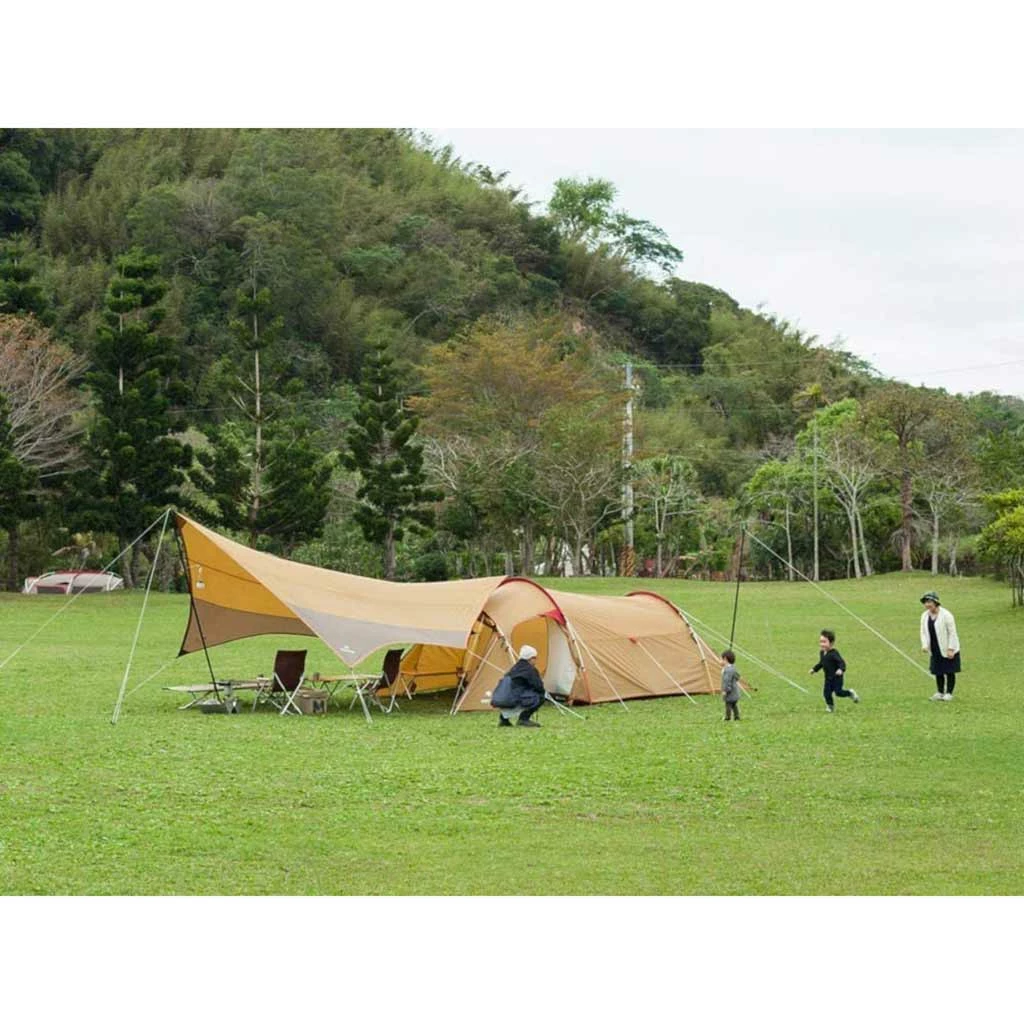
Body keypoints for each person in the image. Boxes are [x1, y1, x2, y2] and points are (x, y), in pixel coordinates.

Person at [920, 591, 961, 701]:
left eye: (929, 602)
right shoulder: (924, 616)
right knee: (938, 671)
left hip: (947, 647)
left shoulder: (946, 615)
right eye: (926, 602)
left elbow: (952, 633)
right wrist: (925, 645)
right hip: (935, 647)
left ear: (936, 602)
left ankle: (949, 693)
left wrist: (951, 649)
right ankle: (939, 692)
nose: (927, 605)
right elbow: (923, 632)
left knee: (949, 670)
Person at [809, 629, 859, 712]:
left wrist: (841, 669)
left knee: (838, 692)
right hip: (828, 678)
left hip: (837, 678)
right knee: (826, 693)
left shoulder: (834, 653)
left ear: (831, 643)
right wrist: (814, 669)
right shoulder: (822, 653)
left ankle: (850, 693)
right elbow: (822, 663)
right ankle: (830, 706)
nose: (822, 644)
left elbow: (842, 662)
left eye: (824, 642)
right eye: (821, 641)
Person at [497, 644, 546, 728]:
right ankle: (524, 719)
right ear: (531, 658)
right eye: (535, 658)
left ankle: (504, 720)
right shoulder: (530, 669)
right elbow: (538, 686)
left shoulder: (514, 668)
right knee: (540, 696)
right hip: (513, 699)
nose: (536, 660)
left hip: (500, 698)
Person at [720, 650, 742, 721]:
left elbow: (727, 681)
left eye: (721, 659)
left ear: (725, 659)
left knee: (728, 705)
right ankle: (737, 716)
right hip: (735, 691)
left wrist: (725, 690)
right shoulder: (733, 668)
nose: (720, 661)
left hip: (730, 692)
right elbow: (737, 676)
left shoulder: (728, 670)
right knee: (734, 704)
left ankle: (727, 717)